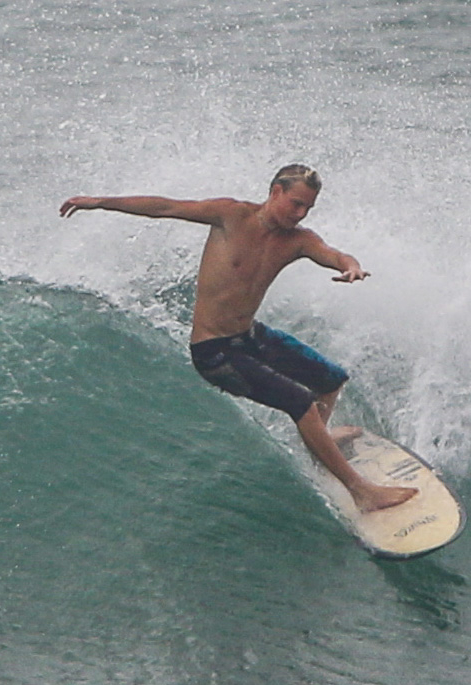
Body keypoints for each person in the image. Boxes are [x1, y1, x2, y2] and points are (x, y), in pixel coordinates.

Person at [60, 164, 416, 513]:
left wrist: (350, 266)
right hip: (214, 351)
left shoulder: (298, 241)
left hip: (249, 336)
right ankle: (361, 491)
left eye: (308, 207)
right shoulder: (230, 216)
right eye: (296, 203)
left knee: (331, 380)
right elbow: (164, 207)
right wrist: (101, 201)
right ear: (276, 191)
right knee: (301, 403)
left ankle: (318, 444)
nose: (301, 213)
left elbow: (334, 254)